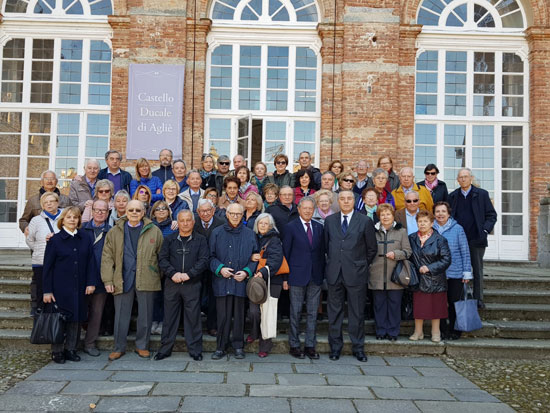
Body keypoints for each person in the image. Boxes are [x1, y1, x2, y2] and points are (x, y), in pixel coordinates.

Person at [101, 199, 164, 361]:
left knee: (146, 315)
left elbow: (161, 256)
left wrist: (156, 274)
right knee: (121, 315)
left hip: (147, 278)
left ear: (143, 212)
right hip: (122, 278)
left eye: (138, 210)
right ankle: (118, 347)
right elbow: (107, 258)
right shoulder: (114, 232)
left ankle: (142, 346)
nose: (134, 213)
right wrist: (108, 280)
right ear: (125, 212)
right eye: (131, 210)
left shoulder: (154, 231)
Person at [324, 190, 377, 362]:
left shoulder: (365, 221)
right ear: (337, 201)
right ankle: (335, 347)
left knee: (356, 313)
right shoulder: (330, 220)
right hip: (335, 273)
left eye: (349, 199)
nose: (346, 202)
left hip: (356, 273)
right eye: (342, 199)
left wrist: (360, 264)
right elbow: (326, 246)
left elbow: (371, 249)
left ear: (354, 201)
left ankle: (358, 348)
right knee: (335, 312)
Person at [42, 206, 96, 363]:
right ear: (63, 220)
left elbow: (91, 262)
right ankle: (57, 351)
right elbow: (48, 267)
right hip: (60, 287)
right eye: (69, 217)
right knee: (60, 320)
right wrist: (47, 291)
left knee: (76, 319)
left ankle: (71, 349)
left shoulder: (85, 237)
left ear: (79, 220)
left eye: (75, 217)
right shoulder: (55, 240)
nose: (72, 220)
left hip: (79, 286)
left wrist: (91, 282)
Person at [155, 210, 210, 361]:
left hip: (192, 283)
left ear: (193, 222)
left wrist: (189, 274)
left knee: (193, 318)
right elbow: (162, 259)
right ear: (177, 223)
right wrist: (173, 274)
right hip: (172, 283)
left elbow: (204, 260)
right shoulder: (169, 239)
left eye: (188, 220)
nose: (185, 223)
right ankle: (165, 349)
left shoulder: (200, 240)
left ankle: (195, 350)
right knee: (169, 317)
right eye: (182, 220)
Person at [209, 203, 258, 360]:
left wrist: (246, 272)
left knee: (239, 315)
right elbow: (210, 257)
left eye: (238, 214)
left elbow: (256, 258)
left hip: (240, 281)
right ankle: (220, 346)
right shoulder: (216, 233)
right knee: (222, 316)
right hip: (222, 281)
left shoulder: (250, 234)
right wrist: (220, 269)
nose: (235, 216)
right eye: (232, 213)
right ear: (227, 214)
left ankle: (238, 346)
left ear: (242, 215)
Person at [448, 167, 497, 309]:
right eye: (460, 177)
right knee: (457, 269)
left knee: (477, 269)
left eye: (466, 176)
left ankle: (478, 299)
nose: (463, 179)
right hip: (457, 240)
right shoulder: (453, 196)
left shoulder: (481, 195)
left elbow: (491, 215)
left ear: (471, 178)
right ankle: (457, 298)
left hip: (476, 238)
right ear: (457, 180)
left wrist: (485, 230)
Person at [283, 197, 325, 359]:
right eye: (304, 208)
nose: (307, 211)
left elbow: (321, 253)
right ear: (299, 209)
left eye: (310, 208)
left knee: (313, 313)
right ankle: (294, 345)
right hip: (296, 276)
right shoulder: (290, 227)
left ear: (314, 210)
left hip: (315, 276)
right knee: (295, 311)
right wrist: (285, 278)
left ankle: (310, 345)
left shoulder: (319, 227)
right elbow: (286, 253)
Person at [369, 203, 412, 341]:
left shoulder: (401, 232)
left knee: (394, 305)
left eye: (388, 214)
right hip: (377, 273)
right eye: (382, 214)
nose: (385, 217)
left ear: (393, 216)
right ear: (379, 217)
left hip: (395, 274)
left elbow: (408, 251)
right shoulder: (372, 231)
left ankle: (393, 332)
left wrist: (396, 253)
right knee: (379, 305)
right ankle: (380, 331)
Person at [408, 210, 452, 343]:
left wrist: (429, 268)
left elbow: (446, 259)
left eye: (425, 221)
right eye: (420, 221)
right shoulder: (412, 238)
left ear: (432, 223)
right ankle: (418, 332)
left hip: (435, 279)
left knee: (436, 307)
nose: (422, 224)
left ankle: (435, 332)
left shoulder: (440, 239)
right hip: (418, 278)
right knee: (419, 307)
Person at [433, 201, 472, 340]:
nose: (440, 214)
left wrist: (467, 272)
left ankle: (455, 330)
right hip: (437, 273)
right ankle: (442, 330)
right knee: (440, 304)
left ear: (448, 213)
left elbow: (465, 251)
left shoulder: (458, 229)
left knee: (454, 302)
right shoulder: (431, 229)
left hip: (455, 272)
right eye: (437, 211)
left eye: (443, 211)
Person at [248, 213, 285, 358]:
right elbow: (246, 254)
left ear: (271, 226)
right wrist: (251, 256)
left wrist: (263, 271)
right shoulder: (252, 237)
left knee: (268, 314)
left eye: (266, 224)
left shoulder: (274, 239)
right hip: (256, 281)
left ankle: (265, 345)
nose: (263, 226)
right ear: (256, 225)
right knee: (254, 311)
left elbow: (276, 260)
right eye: (260, 223)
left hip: (272, 280)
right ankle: (254, 332)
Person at [81, 199, 111, 356]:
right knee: (78, 311)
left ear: (107, 213)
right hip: (81, 278)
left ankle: (90, 343)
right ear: (91, 211)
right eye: (97, 210)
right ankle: (71, 343)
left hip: (101, 279)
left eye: (103, 210)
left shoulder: (111, 231)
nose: (100, 213)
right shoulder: (82, 229)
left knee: (97, 312)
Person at [25, 192, 63, 317]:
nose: (49, 204)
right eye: (46, 202)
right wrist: (39, 250)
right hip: (41, 261)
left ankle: (57, 323)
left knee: (58, 292)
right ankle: (43, 324)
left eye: (51, 201)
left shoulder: (65, 217)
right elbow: (30, 239)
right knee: (42, 292)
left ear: (57, 202)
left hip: (61, 262)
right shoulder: (36, 220)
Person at [194, 199, 225, 336]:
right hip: (196, 265)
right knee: (195, 296)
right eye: (202, 211)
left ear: (213, 210)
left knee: (213, 296)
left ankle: (212, 326)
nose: (205, 213)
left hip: (214, 264)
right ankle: (194, 327)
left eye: (208, 210)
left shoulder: (222, 223)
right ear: (198, 212)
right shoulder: (193, 222)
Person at [19, 170, 71, 234]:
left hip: (62, 237)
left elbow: (74, 216)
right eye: (46, 179)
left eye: (52, 179)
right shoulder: (33, 200)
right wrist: (25, 228)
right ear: (41, 182)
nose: (49, 181)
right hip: (40, 237)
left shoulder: (66, 199)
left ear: (57, 182)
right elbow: (23, 220)